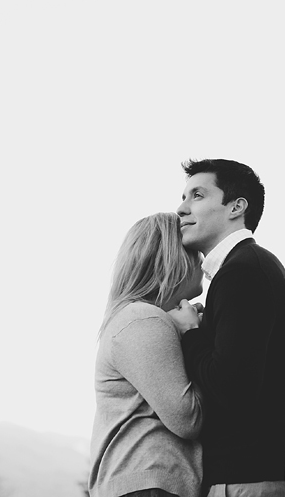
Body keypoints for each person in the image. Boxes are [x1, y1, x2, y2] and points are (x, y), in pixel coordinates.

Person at [168, 159, 285, 497]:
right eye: (184, 197)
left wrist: (191, 333)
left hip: (248, 481)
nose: (181, 209)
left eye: (197, 195)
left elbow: (231, 387)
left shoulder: (243, 272)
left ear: (236, 207)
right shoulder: (246, 267)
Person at [89, 212, 206, 497]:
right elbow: (188, 419)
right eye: (193, 250)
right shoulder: (143, 319)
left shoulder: (139, 319)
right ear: (174, 258)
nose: (202, 258)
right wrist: (195, 336)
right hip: (149, 483)